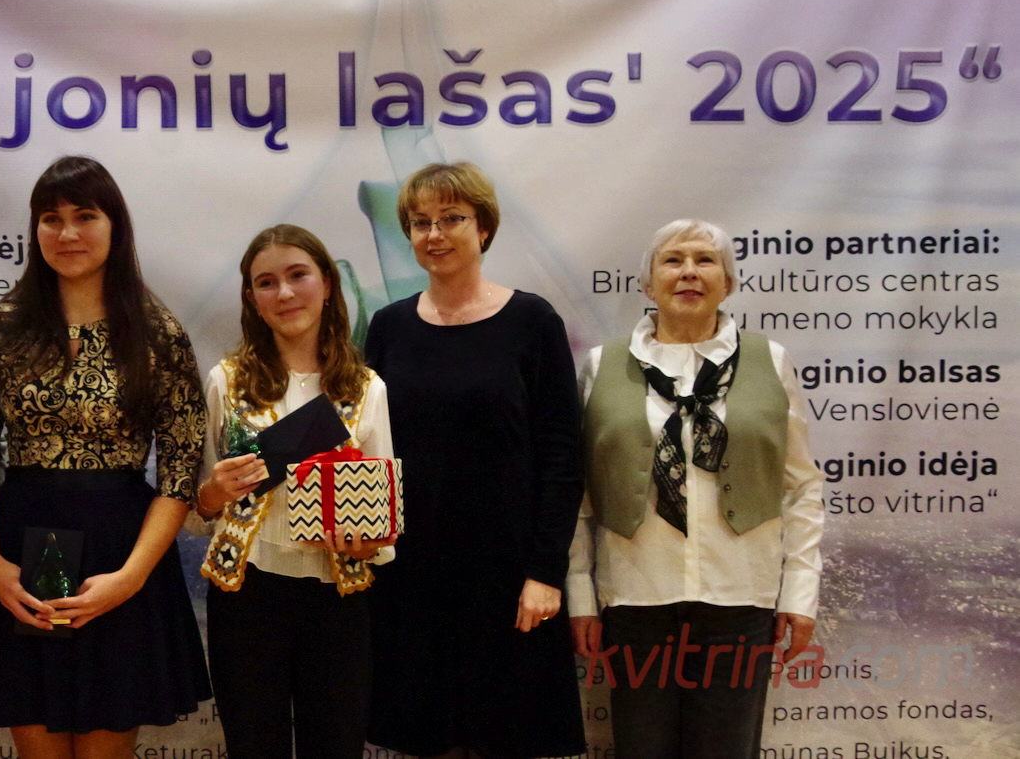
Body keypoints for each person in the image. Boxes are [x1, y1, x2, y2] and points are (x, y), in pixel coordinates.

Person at [0, 156, 211, 759]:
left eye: (85, 216)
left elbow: (180, 467)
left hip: (121, 551)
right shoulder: (2, 327)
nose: (67, 233)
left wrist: (131, 577)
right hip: (20, 552)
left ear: (115, 226)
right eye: (51, 218)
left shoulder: (157, 331)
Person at [566, 218, 824, 759]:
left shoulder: (771, 361)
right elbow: (580, 492)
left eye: (705, 260)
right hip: (635, 597)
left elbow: (801, 486)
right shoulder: (601, 366)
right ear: (647, 283)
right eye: (672, 260)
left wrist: (800, 593)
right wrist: (581, 594)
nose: (688, 272)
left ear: (728, 282)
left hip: (740, 597)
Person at [365, 163, 585, 759]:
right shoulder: (387, 328)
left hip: (509, 577)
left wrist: (545, 573)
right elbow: (365, 446)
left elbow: (563, 458)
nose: (435, 234)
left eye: (452, 218)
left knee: (507, 738)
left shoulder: (533, 322)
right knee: (425, 739)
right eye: (420, 222)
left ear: (483, 228)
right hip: (412, 576)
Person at [189, 224, 395, 759]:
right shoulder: (226, 381)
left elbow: (382, 515)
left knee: (337, 747)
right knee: (254, 747)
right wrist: (214, 493)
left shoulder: (366, 388)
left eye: (298, 275)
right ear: (252, 299)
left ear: (327, 284)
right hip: (246, 596)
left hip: (337, 597)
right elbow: (196, 509)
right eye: (266, 282)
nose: (284, 293)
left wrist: (370, 541)